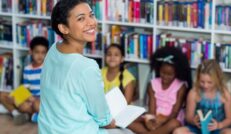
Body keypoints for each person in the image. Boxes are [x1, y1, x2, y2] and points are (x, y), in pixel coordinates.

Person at [38, 0, 117, 134]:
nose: (91, 22)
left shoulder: (54, 49)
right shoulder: (87, 67)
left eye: (91, 15)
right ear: (64, 28)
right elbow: (103, 118)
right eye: (81, 18)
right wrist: (110, 122)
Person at [129, 46, 192, 134]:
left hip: (170, 119)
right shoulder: (152, 84)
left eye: (170, 74)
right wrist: (150, 121)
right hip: (155, 118)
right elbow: (151, 109)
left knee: (174, 124)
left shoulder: (181, 86)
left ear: (176, 73)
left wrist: (163, 121)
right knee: (130, 121)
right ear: (159, 70)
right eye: (163, 73)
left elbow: (175, 112)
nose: (165, 77)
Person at [173, 59, 231, 134]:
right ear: (198, 79)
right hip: (197, 129)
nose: (205, 85)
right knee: (178, 132)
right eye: (202, 82)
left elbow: (230, 119)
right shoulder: (194, 93)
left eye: (209, 82)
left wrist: (219, 125)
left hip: (218, 130)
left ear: (217, 79)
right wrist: (193, 121)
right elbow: (188, 117)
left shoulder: (225, 94)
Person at [0, 36, 49, 124]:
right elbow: (26, 88)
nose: (40, 56)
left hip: (41, 101)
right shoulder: (27, 69)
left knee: (37, 104)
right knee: (3, 95)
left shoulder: (47, 68)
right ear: (31, 52)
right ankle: (17, 114)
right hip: (30, 99)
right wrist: (17, 96)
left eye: (43, 53)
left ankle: (31, 116)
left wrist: (34, 99)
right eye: (37, 52)